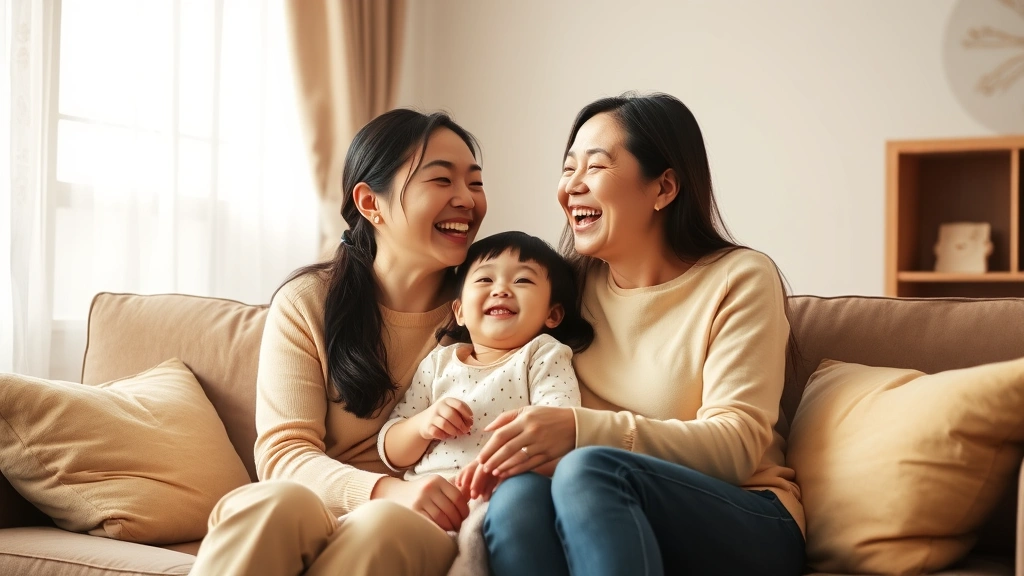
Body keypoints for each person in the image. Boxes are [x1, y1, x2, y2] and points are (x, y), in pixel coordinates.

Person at [473, 93, 806, 575]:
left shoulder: (739, 277)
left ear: (664, 187)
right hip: (600, 510)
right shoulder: (562, 291)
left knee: (587, 470)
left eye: (596, 167)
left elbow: (736, 447)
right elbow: (480, 358)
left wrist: (579, 431)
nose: (572, 187)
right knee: (519, 494)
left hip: (746, 514)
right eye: (568, 170)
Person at [189, 108, 487, 576]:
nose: (466, 199)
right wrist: (389, 491)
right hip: (331, 506)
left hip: (426, 524)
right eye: (441, 180)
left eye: (475, 182)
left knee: (384, 525)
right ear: (371, 203)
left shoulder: (491, 307)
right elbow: (285, 455)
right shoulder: (309, 301)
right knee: (274, 503)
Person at [377, 231, 593, 505]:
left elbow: (557, 433)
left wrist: (500, 466)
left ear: (553, 314)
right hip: (423, 497)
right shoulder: (438, 361)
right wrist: (422, 425)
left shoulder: (542, 355)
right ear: (460, 312)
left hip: (497, 497)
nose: (501, 289)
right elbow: (392, 452)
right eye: (485, 279)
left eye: (522, 280)